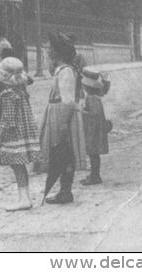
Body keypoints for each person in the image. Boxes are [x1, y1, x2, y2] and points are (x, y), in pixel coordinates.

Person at [39, 32, 86, 204]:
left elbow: (68, 100)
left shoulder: (66, 71)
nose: (47, 51)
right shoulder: (60, 70)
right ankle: (63, 190)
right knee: (61, 152)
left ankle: (65, 190)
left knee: (64, 152)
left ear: (57, 52)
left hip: (62, 114)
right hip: (56, 112)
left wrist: (64, 124)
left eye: (50, 49)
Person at [0, 56, 41, 211]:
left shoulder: (8, 95)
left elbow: (8, 119)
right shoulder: (21, 92)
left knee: (17, 165)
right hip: (24, 132)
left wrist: (1, 136)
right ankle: (24, 195)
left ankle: (24, 198)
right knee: (20, 166)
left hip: (15, 135)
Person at [80, 68, 111, 185]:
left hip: (93, 130)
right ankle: (94, 174)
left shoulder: (90, 98)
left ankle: (95, 175)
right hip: (96, 128)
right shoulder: (95, 97)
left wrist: (81, 111)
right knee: (94, 153)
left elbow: (94, 113)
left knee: (93, 153)